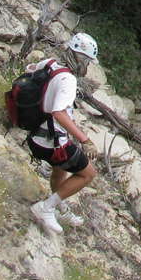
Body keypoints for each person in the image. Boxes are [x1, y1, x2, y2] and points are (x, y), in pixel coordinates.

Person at [24, 31, 99, 233]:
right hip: (51, 141)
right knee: (88, 174)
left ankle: (60, 208)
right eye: (87, 62)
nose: (87, 67)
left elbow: (30, 70)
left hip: (35, 135)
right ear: (81, 59)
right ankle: (46, 208)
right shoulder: (68, 80)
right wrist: (85, 140)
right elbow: (58, 113)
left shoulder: (50, 64)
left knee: (60, 169)